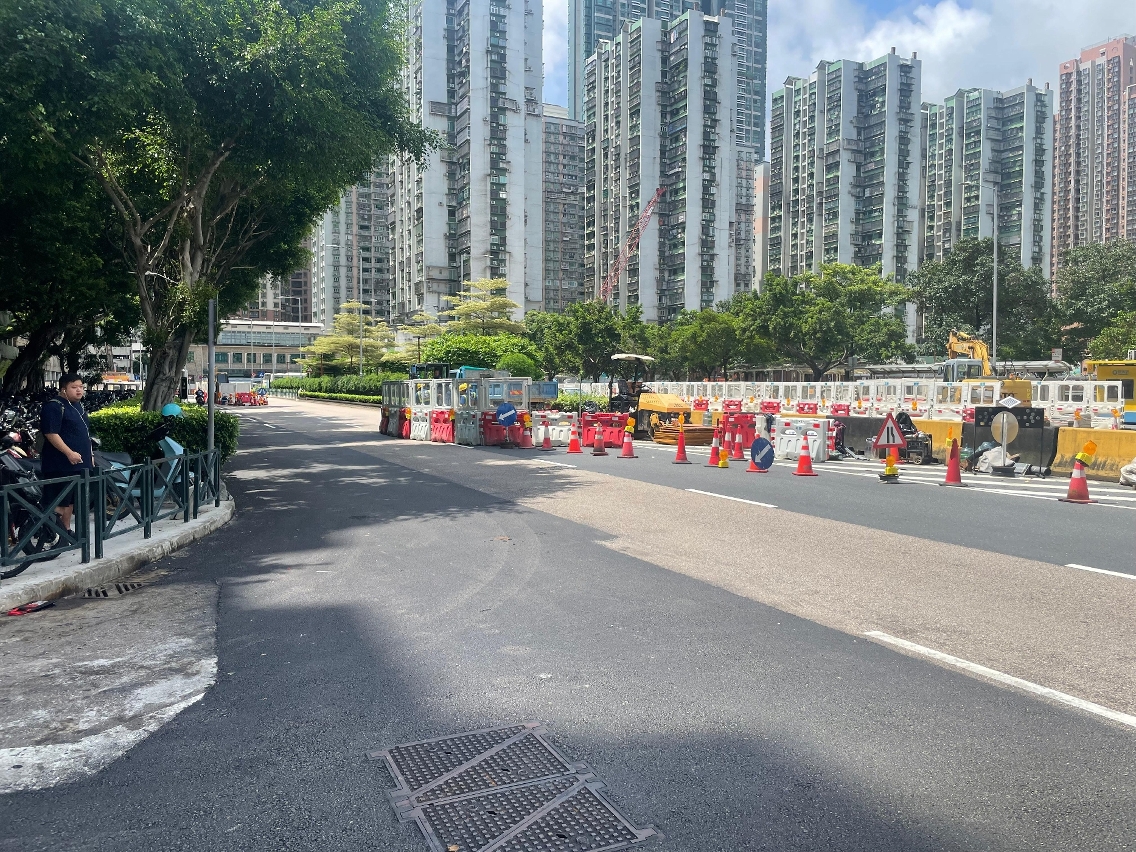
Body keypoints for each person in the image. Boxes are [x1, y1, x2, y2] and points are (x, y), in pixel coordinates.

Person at [40, 373, 94, 533]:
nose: (79, 390)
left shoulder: (78, 406)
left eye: (81, 387)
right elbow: (51, 433)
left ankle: (66, 530)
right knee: (59, 502)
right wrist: (69, 453)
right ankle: (51, 533)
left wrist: (90, 455)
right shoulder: (54, 407)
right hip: (60, 464)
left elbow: (85, 433)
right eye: (74, 387)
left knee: (70, 501)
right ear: (63, 389)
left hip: (79, 464)